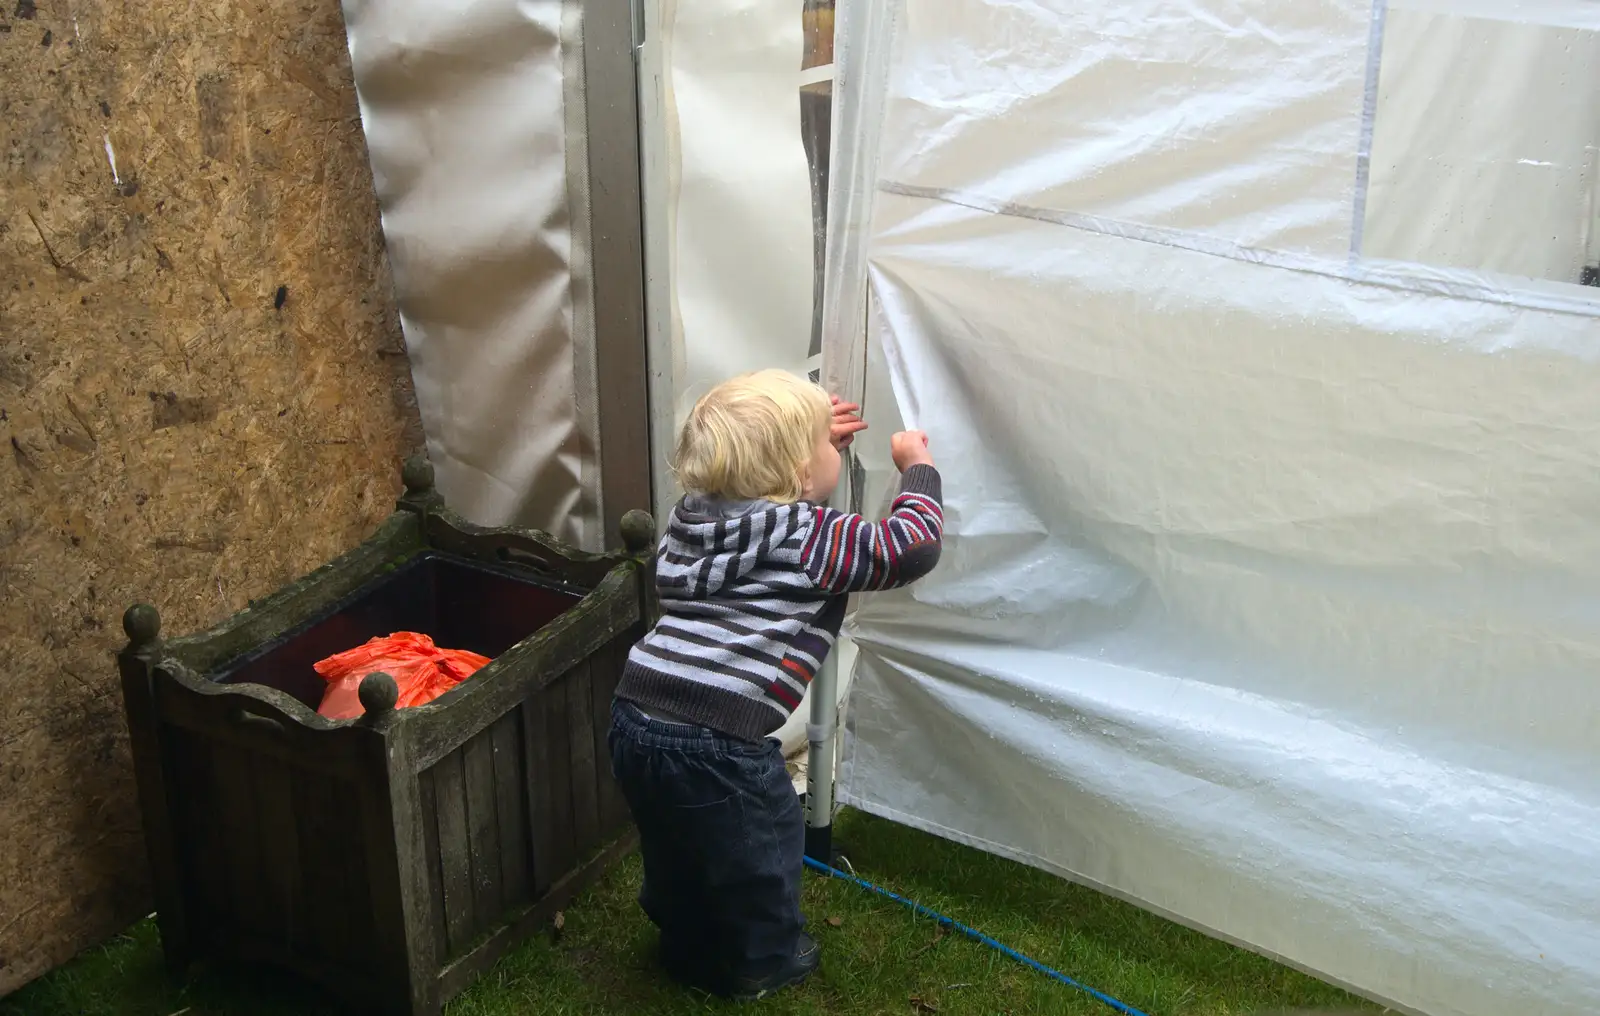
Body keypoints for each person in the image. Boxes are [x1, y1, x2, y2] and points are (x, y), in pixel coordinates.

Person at [608, 369, 945, 1000]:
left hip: (636, 713)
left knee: (676, 837)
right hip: (719, 739)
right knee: (761, 847)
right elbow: (909, 548)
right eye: (826, 444)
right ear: (794, 473)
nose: (834, 452)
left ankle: (683, 937)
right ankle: (761, 961)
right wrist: (916, 468)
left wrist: (814, 447)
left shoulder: (695, 519)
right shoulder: (811, 536)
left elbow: (766, 509)